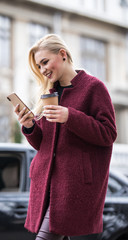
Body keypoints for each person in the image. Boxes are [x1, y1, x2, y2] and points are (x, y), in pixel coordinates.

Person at [14, 34, 117, 240]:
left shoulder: (93, 87)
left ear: (62, 54)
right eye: (39, 66)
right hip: (45, 185)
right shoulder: (50, 93)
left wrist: (70, 116)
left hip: (72, 187)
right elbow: (42, 145)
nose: (43, 70)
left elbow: (108, 134)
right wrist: (29, 126)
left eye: (45, 62)